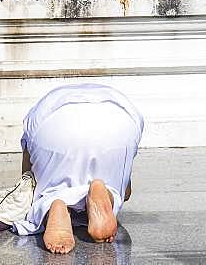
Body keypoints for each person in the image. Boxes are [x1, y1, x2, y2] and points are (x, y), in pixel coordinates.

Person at [13, 83, 144, 254]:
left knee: (46, 195)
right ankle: (107, 195)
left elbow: (27, 177)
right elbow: (127, 191)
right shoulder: (122, 103)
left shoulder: (40, 109)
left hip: (54, 126)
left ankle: (54, 204)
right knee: (115, 189)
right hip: (119, 123)